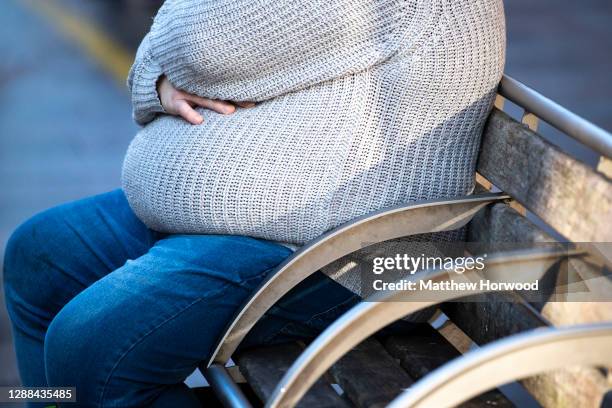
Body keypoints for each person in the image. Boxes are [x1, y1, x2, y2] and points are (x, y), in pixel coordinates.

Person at [4, 0, 505, 406]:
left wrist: (170, 61)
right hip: (260, 228)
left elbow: (196, 41)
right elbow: (174, 49)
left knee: (90, 347)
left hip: (338, 253)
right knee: (39, 253)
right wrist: (158, 82)